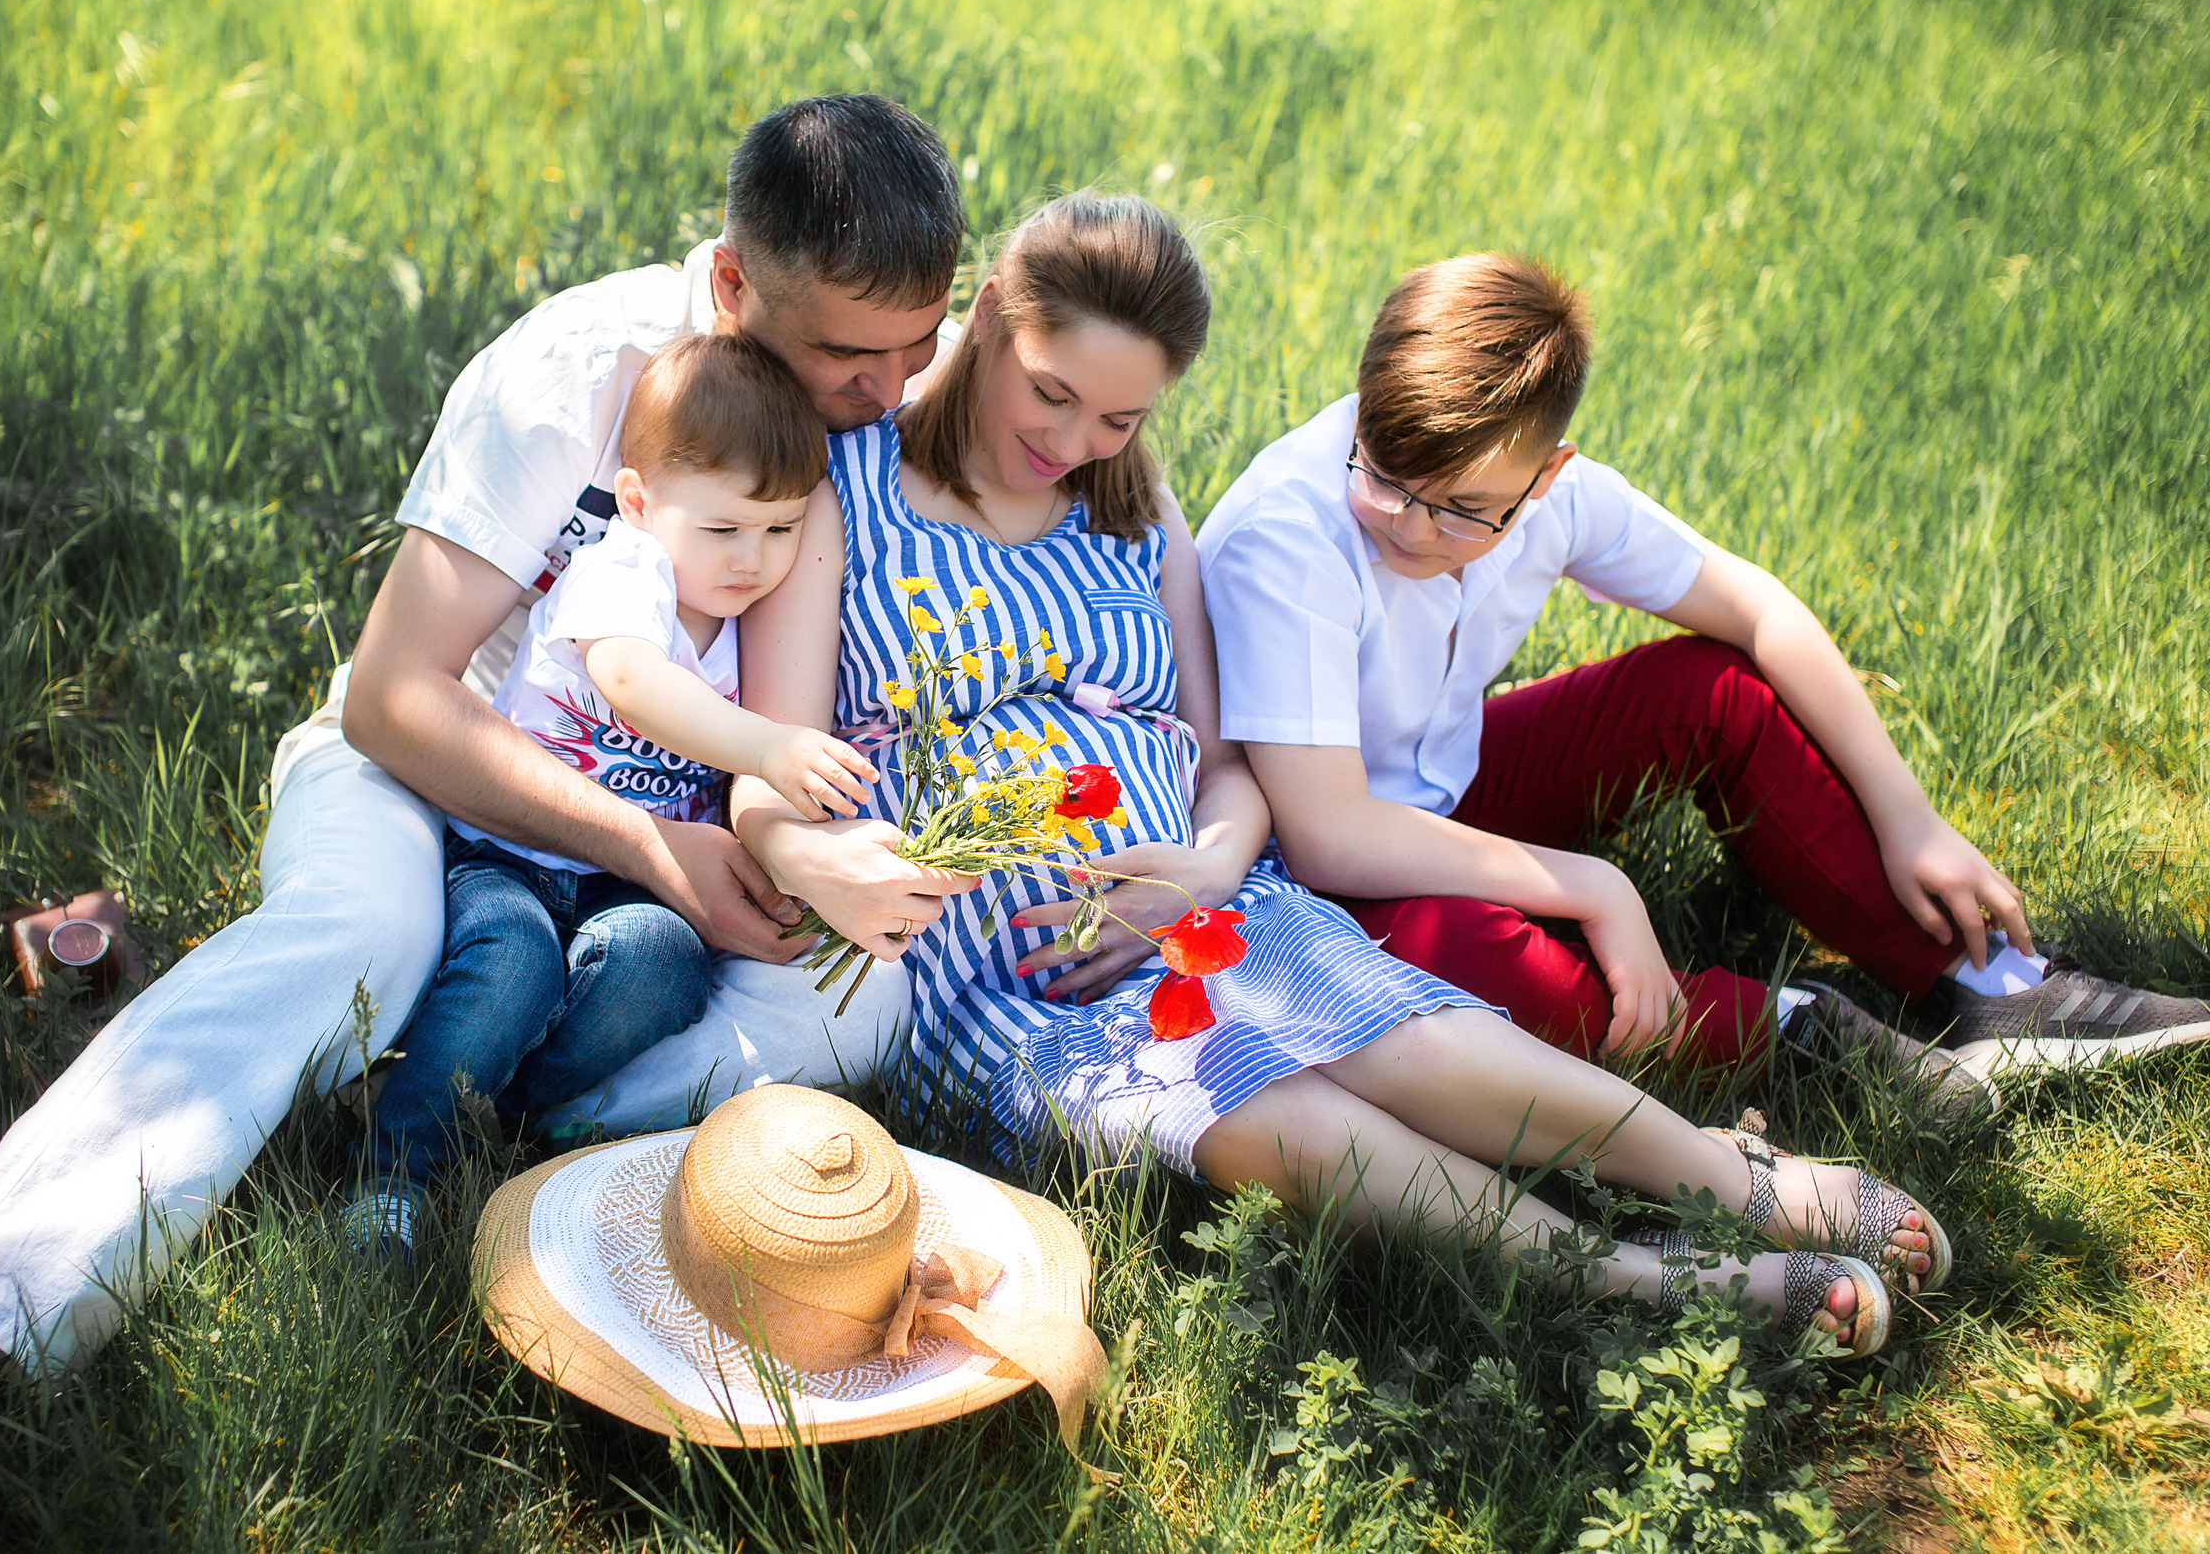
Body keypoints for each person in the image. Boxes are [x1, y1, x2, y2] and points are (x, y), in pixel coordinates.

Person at [0, 94, 974, 1462]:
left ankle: (509, 1132)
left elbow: (776, 719)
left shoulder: (854, 405)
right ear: (739, 279)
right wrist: (650, 849)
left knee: (854, 998)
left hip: (669, 818)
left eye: (918, 342)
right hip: (428, 771)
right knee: (367, 934)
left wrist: (784, 851)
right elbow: (395, 695)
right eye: (849, 355)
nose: (889, 393)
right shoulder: (573, 371)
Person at [730, 193, 1947, 1359]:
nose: (1070, 442)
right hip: (1012, 975)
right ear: (989, 312)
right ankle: (1636, 1282)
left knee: (1423, 1046)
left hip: (1209, 911)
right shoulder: (846, 489)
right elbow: (772, 771)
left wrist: (1205, 867)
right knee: (1301, 1128)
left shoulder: (1132, 507)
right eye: (1050, 395)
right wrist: (816, 858)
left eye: (1117, 418)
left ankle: (1735, 1177)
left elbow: (1227, 768)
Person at [1193, 253, 2210, 1107]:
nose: (1411, 527)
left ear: (1545, 476)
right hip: (1302, 879)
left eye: (1462, 508)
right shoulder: (1288, 534)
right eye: (1380, 474)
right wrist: (1593, 885)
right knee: (1455, 959)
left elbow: (1758, 609)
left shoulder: (1556, 497)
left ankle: (1982, 979)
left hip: (1445, 794)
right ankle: (1785, 1031)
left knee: (1711, 689)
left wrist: (1911, 819)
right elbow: (1328, 837)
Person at [342, 333, 884, 1260]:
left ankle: (504, 1117)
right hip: (509, 847)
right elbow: (632, 681)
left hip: (628, 883)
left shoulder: (753, 608)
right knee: (512, 960)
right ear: (638, 502)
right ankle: (393, 1168)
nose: (753, 559)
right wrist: (767, 742)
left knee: (659, 963)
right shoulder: (624, 566)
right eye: (724, 529)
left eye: (781, 528)